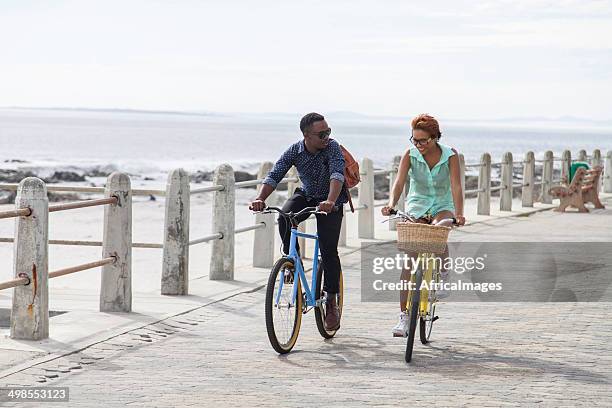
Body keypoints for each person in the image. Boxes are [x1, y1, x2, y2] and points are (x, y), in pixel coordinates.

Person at [249, 112, 347, 331]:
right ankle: (292, 262)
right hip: (307, 194)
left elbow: (337, 175)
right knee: (284, 217)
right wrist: (260, 198)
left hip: (331, 200)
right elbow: (275, 175)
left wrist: (330, 201)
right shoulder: (295, 150)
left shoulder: (332, 147)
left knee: (328, 250)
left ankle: (331, 301)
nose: (326, 137)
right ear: (306, 135)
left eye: (328, 132)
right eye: (321, 134)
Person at [381, 114, 465, 337]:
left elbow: (456, 186)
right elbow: (399, 183)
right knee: (410, 260)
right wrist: (391, 204)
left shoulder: (450, 156)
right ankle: (404, 317)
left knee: (439, 231)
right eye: (415, 140)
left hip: (442, 204)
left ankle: (445, 274)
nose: (418, 145)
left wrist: (460, 213)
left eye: (423, 141)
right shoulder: (410, 155)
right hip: (417, 205)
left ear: (435, 137)